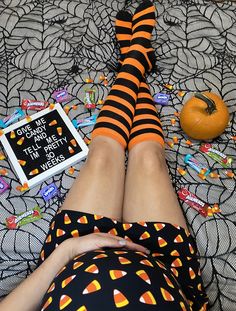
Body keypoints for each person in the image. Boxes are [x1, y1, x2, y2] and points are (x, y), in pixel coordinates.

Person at [0, 1, 208, 310]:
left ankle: (133, 59)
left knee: (101, 155)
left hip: (72, 261)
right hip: (167, 273)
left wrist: (66, 252)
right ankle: (137, 56)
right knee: (150, 159)